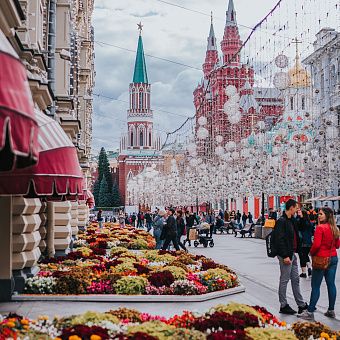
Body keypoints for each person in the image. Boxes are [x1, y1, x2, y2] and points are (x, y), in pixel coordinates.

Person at [299, 207, 340, 320]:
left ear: (327, 215)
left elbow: (316, 245)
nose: (318, 215)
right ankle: (331, 310)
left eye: (321, 214)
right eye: (318, 214)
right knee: (331, 284)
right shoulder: (335, 228)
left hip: (321, 259)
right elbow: (337, 246)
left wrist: (311, 253)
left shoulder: (320, 228)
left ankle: (310, 311)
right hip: (333, 258)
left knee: (315, 286)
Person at [273, 199, 308, 315]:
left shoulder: (291, 220)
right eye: (296, 207)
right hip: (286, 255)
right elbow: (279, 240)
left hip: (292, 254)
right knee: (284, 280)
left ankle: (301, 304)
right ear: (291, 207)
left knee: (295, 280)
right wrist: (284, 255)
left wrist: (301, 216)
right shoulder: (281, 221)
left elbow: (303, 227)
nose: (298, 209)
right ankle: (283, 305)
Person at [297, 209, 314, 278]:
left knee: (302, 256)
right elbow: (312, 232)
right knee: (306, 255)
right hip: (309, 241)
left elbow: (298, 228)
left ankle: (304, 272)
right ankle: (309, 268)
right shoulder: (310, 222)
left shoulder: (301, 221)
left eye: (299, 212)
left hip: (302, 241)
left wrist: (299, 218)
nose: (298, 213)